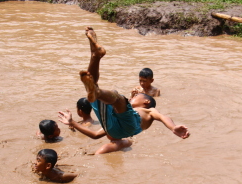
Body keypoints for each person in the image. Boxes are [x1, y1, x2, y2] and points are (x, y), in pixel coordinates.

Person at [58, 27, 189, 154]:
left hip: (130, 125)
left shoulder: (149, 111)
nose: (133, 96)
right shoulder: (124, 112)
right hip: (114, 128)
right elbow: (95, 135)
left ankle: (96, 90)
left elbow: (163, 117)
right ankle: (95, 56)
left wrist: (173, 127)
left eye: (138, 96)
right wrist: (72, 123)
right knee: (94, 86)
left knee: (118, 97)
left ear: (146, 102)